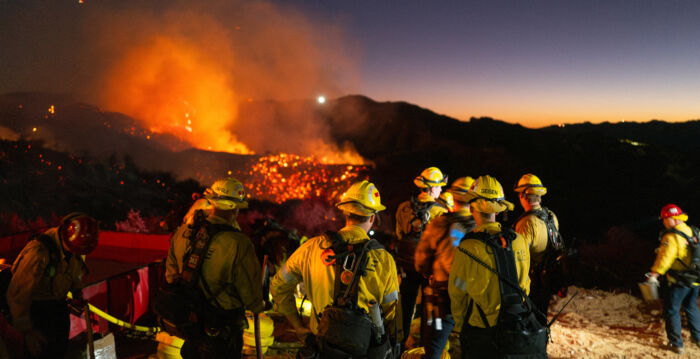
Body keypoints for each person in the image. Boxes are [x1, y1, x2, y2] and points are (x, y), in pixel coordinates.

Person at [270, 180, 401, 357]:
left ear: (345, 213)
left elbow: (278, 285)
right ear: (372, 217)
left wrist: (299, 327)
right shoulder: (384, 258)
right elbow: (392, 312)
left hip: (320, 346)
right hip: (364, 349)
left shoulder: (311, 248)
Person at [165, 177, 264, 359]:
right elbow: (250, 292)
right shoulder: (239, 243)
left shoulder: (183, 233)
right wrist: (258, 306)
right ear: (235, 208)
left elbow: (171, 276)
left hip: (190, 325)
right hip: (222, 329)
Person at [449, 175, 533, 358]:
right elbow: (526, 282)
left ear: (472, 208)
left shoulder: (467, 248)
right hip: (516, 328)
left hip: (482, 333)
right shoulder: (519, 241)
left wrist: (460, 325)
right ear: (500, 208)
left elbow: (458, 292)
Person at [6, 212, 99, 359]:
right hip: (36, 315)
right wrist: (27, 332)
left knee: (58, 352)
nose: (77, 254)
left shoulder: (74, 249)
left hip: (58, 311)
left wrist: (77, 294)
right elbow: (18, 295)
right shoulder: (39, 252)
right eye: (75, 250)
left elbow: (75, 274)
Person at [414, 177, 477, 359]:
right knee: (470, 346)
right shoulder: (479, 227)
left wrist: (430, 272)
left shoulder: (440, 223)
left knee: (434, 346)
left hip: (441, 299)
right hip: (471, 300)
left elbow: (421, 260)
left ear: (453, 197)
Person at [394, 167, 448, 346]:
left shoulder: (403, 208)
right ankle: (428, 347)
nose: (441, 190)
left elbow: (399, 235)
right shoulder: (441, 212)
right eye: (439, 187)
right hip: (430, 271)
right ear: (432, 189)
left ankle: (399, 344)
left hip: (407, 268)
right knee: (430, 311)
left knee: (405, 307)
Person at [646, 204, 700, 355]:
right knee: (692, 308)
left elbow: (665, 258)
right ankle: (698, 339)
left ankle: (676, 344)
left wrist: (654, 274)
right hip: (696, 280)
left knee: (671, 310)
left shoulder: (672, 236)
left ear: (671, 218)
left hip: (680, 281)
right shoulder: (693, 231)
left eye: (664, 219)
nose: (663, 222)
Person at [513, 173, 560, 324]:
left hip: (531, 284)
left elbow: (518, 258)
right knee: (541, 320)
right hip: (547, 280)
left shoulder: (527, 223)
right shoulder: (551, 216)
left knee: (528, 324)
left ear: (523, 196)